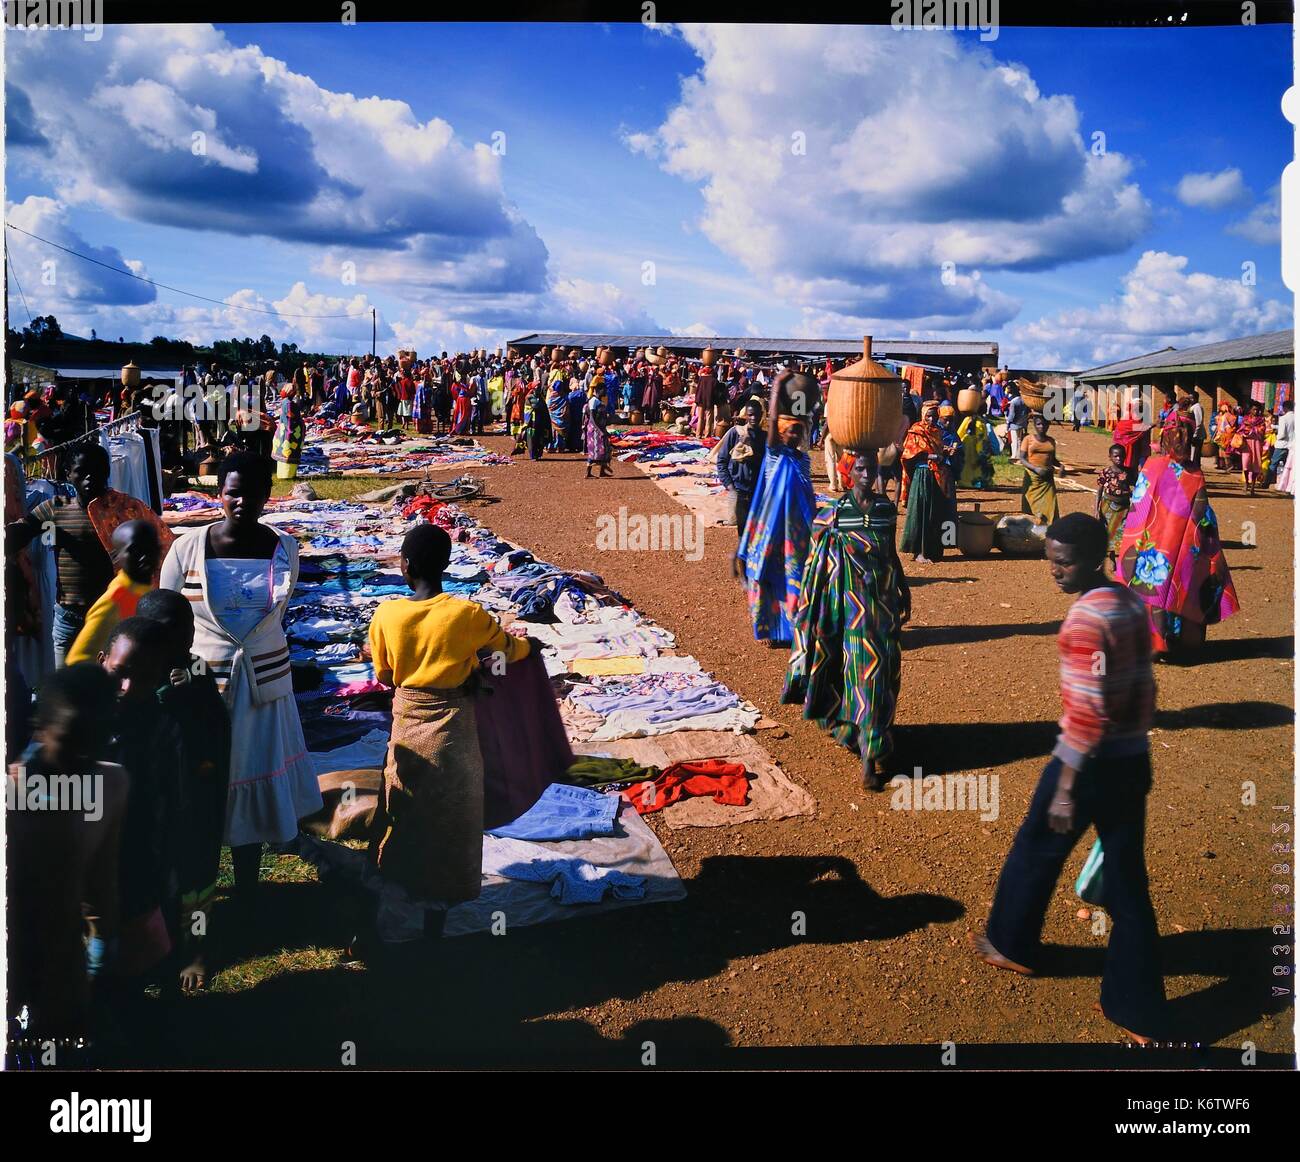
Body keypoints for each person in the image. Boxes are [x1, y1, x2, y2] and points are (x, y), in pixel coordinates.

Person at [970, 513, 1166, 1045]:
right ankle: (1138, 1009)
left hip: (1086, 763)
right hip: (1131, 757)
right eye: (1050, 559)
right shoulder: (1127, 602)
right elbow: (1142, 684)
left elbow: (1088, 712)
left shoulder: (1084, 621)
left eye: (1064, 561)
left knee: (1036, 847)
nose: (1054, 569)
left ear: (1094, 557)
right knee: (1128, 884)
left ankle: (1012, 945)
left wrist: (1064, 787)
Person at [159, 452, 322, 909]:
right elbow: (166, 612)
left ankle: (249, 885)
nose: (241, 501)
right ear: (218, 494)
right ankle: (202, 887)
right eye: (232, 491)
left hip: (264, 688)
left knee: (250, 777)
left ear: (267, 497)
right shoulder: (186, 547)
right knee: (205, 782)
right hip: (200, 687)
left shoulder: (284, 549)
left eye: (251, 493)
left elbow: (275, 617)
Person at [361, 524, 531, 952]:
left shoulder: (386, 615)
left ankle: (381, 909)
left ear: (405, 564)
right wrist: (530, 650)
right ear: (448, 565)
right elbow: (505, 650)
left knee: (401, 811)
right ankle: (435, 926)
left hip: (408, 727)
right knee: (451, 823)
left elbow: (383, 675)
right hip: (454, 732)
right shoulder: (466, 615)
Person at [6, 663, 128, 1055]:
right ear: (40, 729)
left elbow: (101, 882)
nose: (82, 758)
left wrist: (99, 953)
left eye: (94, 742)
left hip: (61, 964)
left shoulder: (110, 783)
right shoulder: (10, 797)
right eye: (70, 742)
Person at [782, 449, 911, 792]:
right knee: (863, 675)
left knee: (885, 676)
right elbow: (816, 558)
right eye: (862, 470)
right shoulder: (837, 513)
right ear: (849, 474)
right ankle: (869, 758)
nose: (869, 476)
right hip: (851, 611)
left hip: (883, 607)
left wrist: (903, 588)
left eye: (873, 469)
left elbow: (889, 553)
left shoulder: (885, 509)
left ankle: (870, 735)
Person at [6, 444, 172, 665]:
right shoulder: (56, 510)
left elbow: (164, 544)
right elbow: (19, 534)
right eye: (82, 471)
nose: (90, 477)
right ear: (67, 474)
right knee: (67, 688)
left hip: (113, 615)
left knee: (109, 686)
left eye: (98, 470)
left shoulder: (128, 510)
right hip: (69, 618)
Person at [99, 617, 184, 980]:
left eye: (144, 678)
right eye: (120, 672)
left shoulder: (163, 729)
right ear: (102, 660)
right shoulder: (76, 718)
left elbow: (173, 806)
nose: (128, 687)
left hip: (140, 867)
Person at [1116, 417, 1239, 660]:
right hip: (1183, 545)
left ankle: (1152, 643)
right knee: (1181, 587)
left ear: (1164, 440)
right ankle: (1179, 643)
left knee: (1149, 590)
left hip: (1150, 542)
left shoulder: (1153, 466)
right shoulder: (1195, 472)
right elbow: (1202, 514)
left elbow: (1139, 508)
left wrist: (1128, 542)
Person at [738, 389, 815, 647]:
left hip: (795, 531)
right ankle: (769, 630)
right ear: (781, 432)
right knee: (768, 576)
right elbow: (770, 427)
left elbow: (806, 492)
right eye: (790, 430)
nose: (795, 435)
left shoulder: (803, 459)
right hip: (771, 529)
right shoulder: (773, 454)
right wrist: (779, 388)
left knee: (793, 578)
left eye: (798, 431)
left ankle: (793, 629)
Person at [65, 520, 160, 666]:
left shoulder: (148, 590)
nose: (144, 556)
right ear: (116, 556)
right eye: (134, 550)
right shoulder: (115, 599)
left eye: (151, 548)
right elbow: (78, 660)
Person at [899, 400, 952, 564]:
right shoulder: (916, 431)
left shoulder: (937, 431)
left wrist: (946, 451)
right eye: (929, 416)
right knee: (921, 512)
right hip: (922, 475)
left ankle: (933, 549)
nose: (932, 420)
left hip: (937, 475)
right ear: (923, 415)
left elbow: (937, 449)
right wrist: (933, 456)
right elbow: (909, 453)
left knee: (934, 512)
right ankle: (919, 552)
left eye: (935, 416)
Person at [716, 401, 767, 547]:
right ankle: (742, 567)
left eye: (757, 415)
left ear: (762, 416)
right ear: (746, 415)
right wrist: (730, 486)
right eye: (750, 415)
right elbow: (722, 460)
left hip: (758, 493)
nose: (754, 418)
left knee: (758, 535)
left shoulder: (765, 438)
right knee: (743, 536)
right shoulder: (736, 433)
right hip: (739, 491)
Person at [1017, 414, 1066, 524]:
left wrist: (1061, 466)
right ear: (1034, 425)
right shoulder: (1028, 439)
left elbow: (1052, 459)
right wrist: (1036, 469)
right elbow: (1022, 458)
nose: (1041, 427)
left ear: (1048, 425)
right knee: (1031, 508)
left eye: (1044, 424)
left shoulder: (1051, 441)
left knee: (1050, 509)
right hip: (1033, 479)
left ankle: (1048, 532)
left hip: (1047, 480)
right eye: (1038, 424)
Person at [1094, 444, 1134, 567]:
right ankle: (1111, 558)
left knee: (1122, 533)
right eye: (1115, 456)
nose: (1119, 459)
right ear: (1110, 457)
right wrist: (1096, 508)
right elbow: (1099, 490)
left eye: (1121, 456)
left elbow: (1136, 487)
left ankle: (1122, 560)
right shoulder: (1106, 472)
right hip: (1108, 507)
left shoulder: (1129, 472)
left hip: (1124, 508)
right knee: (1108, 533)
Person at [956, 400, 994, 489]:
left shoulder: (967, 420)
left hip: (966, 445)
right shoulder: (981, 422)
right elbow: (982, 438)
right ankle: (977, 483)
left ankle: (965, 481)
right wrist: (982, 451)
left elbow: (959, 433)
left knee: (966, 465)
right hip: (977, 447)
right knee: (976, 466)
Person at [1236, 402, 1267, 495]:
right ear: (1250, 410)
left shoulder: (1261, 420)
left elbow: (1262, 430)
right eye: (1254, 409)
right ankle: (1246, 482)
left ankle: (1253, 486)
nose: (1256, 411)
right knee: (1245, 464)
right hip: (1247, 444)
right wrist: (1248, 431)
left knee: (1255, 464)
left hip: (1257, 443)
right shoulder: (1245, 419)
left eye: (1257, 410)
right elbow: (1241, 429)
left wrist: (1253, 429)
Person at [1264, 397, 1293, 487]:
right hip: (1292, 446)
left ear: (1285, 408)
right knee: (1287, 466)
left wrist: (1276, 435)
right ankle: (1286, 484)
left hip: (1282, 445)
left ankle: (1266, 483)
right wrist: (1275, 427)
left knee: (1273, 464)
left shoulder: (1283, 418)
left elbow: (1282, 434)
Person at [584, 390, 613, 479]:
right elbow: (592, 418)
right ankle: (588, 473)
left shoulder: (599, 401)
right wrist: (599, 431)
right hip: (594, 431)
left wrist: (605, 431)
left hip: (600, 430)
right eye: (604, 389)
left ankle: (602, 471)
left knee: (606, 449)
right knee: (594, 451)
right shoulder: (593, 401)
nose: (605, 392)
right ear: (598, 390)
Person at [1005, 384, 1030, 462]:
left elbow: (1012, 416)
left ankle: (1014, 456)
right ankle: (1019, 456)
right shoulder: (1023, 400)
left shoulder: (1013, 402)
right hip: (1022, 423)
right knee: (1019, 440)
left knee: (1014, 441)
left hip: (1014, 424)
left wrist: (1007, 420)